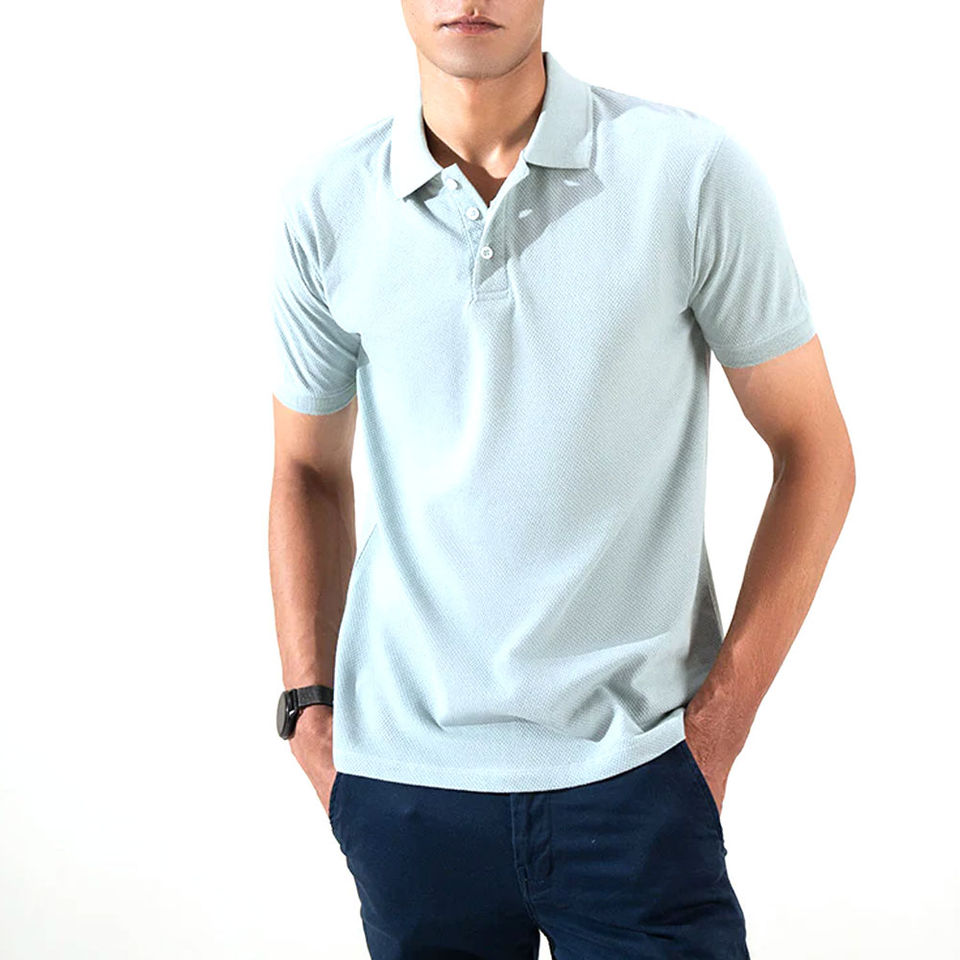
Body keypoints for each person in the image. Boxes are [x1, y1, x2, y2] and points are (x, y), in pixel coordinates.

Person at [267, 3, 856, 957]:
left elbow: (815, 450)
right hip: (407, 796)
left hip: (638, 780)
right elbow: (305, 469)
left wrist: (720, 724)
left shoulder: (686, 172)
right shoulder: (327, 204)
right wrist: (308, 711)